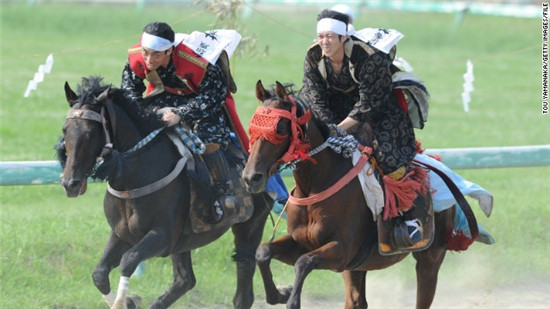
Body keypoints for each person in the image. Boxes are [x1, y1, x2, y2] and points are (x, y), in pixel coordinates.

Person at [300, 10, 425, 248]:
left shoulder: (370, 58)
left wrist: (340, 129)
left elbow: (370, 101)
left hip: (379, 111)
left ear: (343, 37)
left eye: (330, 36)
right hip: (334, 111)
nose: (324, 42)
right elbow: (314, 96)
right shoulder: (313, 56)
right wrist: (328, 129)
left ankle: (407, 216)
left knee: (387, 155)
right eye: (321, 36)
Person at [121, 21, 236, 223]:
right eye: (146, 53)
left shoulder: (197, 63)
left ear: (169, 51)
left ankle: (223, 192)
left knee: (208, 139)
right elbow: (129, 92)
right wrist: (144, 114)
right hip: (162, 99)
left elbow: (215, 96)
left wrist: (181, 113)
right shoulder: (137, 57)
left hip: (199, 103)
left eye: (156, 55)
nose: (148, 59)